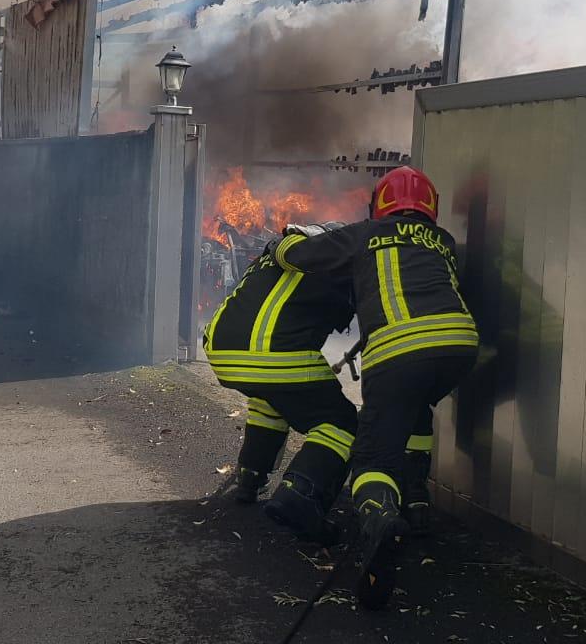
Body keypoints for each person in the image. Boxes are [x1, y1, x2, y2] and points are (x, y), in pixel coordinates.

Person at [273, 166, 477, 609]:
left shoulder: (365, 234)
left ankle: (380, 519)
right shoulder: (443, 241)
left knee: (372, 457)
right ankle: (416, 502)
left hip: (400, 350)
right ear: (430, 206)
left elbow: (301, 256)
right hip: (459, 345)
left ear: (380, 204)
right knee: (414, 409)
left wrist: (282, 242)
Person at [203, 222, 358, 544]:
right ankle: (300, 495)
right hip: (275, 356)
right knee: (341, 423)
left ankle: (251, 476)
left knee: (272, 400)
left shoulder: (275, 257)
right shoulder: (327, 261)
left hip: (221, 351)